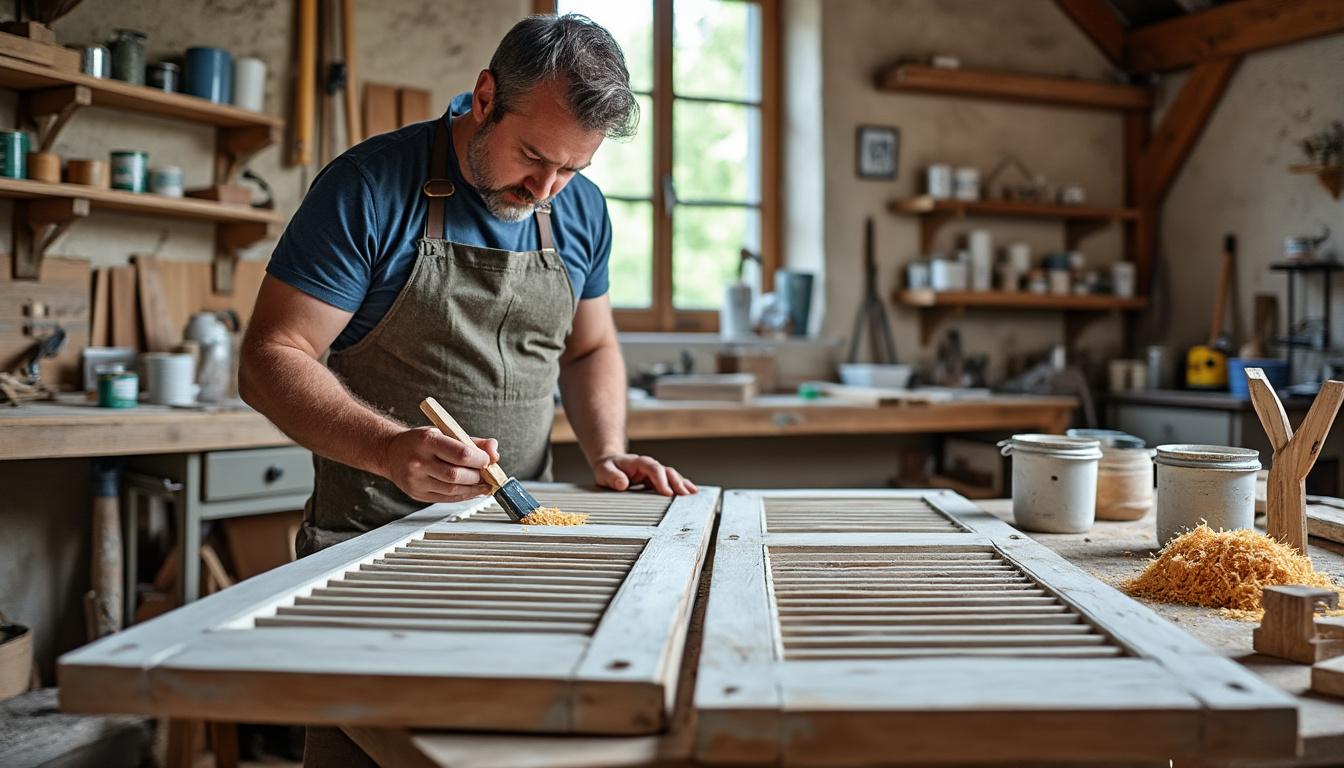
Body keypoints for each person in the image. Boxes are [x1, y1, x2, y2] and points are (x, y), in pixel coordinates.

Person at [239, 14, 696, 765]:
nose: (545, 189)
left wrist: (609, 452)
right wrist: (388, 448)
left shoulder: (580, 208)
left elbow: (590, 349)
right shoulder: (368, 187)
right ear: (485, 98)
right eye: (533, 156)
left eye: (572, 168)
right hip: (372, 551)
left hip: (522, 543)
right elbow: (270, 357)